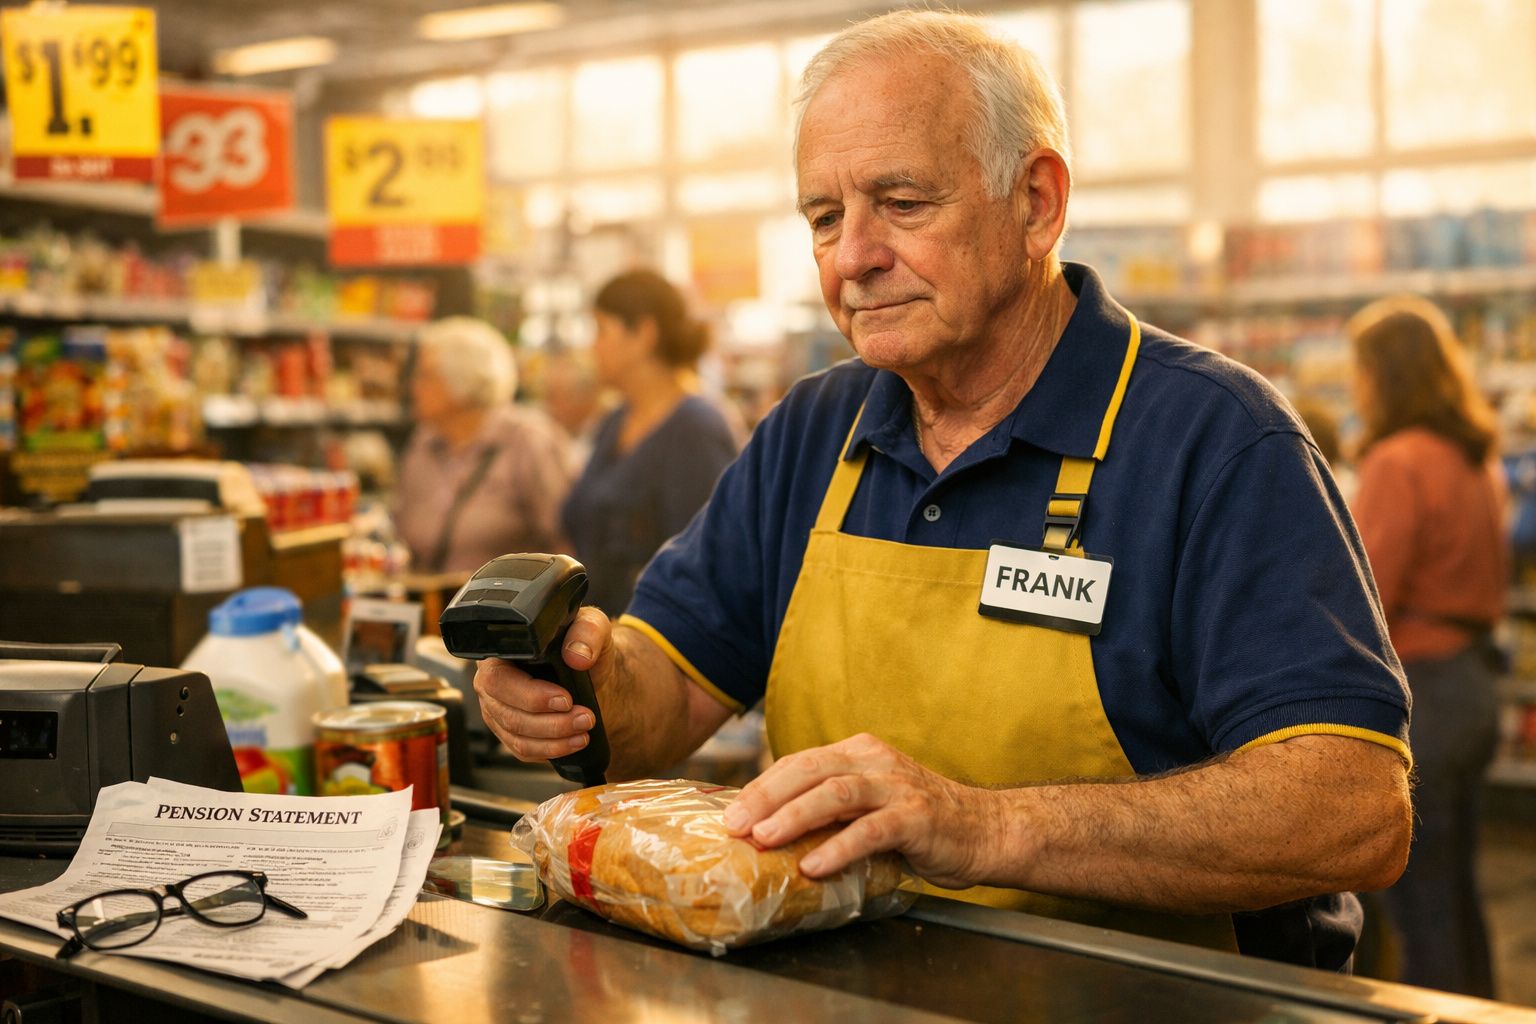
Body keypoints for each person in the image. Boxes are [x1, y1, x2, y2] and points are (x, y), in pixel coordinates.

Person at [477, 10, 1411, 969]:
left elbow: (1350, 807)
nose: (853, 258)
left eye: (903, 203)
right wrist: (577, 682)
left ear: (1038, 202)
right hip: (851, 992)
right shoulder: (813, 431)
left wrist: (985, 829)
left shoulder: (1212, 440)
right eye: (825, 218)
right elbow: (665, 695)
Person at [1348, 296, 1508, 997]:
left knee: (1418, 905)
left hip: (1426, 693)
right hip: (1473, 684)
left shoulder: (1397, 461)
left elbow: (1364, 589)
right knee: (1456, 889)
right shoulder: (1472, 457)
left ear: (1386, 373)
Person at [560, 270, 739, 616]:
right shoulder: (614, 421)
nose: (591, 346)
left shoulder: (696, 429)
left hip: (656, 642)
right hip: (596, 634)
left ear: (643, 334)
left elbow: (703, 564)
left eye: (600, 330)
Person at [393, 316, 573, 575]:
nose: (413, 387)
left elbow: (567, 539)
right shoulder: (422, 443)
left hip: (509, 612)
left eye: (426, 375)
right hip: (432, 608)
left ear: (463, 381)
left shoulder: (528, 440)